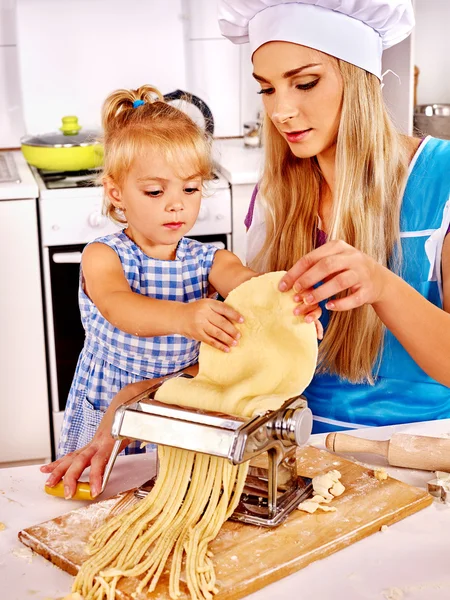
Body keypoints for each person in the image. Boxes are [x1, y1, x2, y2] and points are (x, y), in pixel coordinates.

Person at [42, 83, 324, 498]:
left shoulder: (208, 260)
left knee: (171, 492)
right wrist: (185, 317)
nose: (176, 204)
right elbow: (123, 309)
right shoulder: (105, 256)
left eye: (190, 189)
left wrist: (290, 311)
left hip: (178, 401)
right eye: (156, 191)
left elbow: (250, 285)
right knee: (98, 493)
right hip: (108, 405)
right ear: (116, 192)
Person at [218, 0, 450, 433]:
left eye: (304, 83)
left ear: (358, 79)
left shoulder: (443, 179)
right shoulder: (275, 195)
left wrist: (381, 285)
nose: (280, 111)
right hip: (292, 441)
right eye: (267, 89)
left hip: (418, 446)